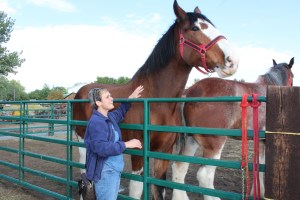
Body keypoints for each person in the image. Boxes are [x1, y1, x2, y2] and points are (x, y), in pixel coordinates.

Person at [84, 85, 144, 200]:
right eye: (107, 97)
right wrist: (127, 144)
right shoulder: (96, 122)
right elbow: (101, 148)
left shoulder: (109, 117)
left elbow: (120, 111)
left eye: (110, 96)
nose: (112, 98)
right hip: (105, 172)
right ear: (98, 103)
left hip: (114, 170)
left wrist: (130, 98)